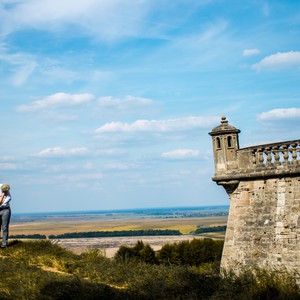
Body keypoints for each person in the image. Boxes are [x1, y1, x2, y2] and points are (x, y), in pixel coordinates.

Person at [0, 184, 12, 248]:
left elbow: (9, 197)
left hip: (5, 209)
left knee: (5, 228)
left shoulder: (3, 186)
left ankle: (4, 244)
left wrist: (2, 203)